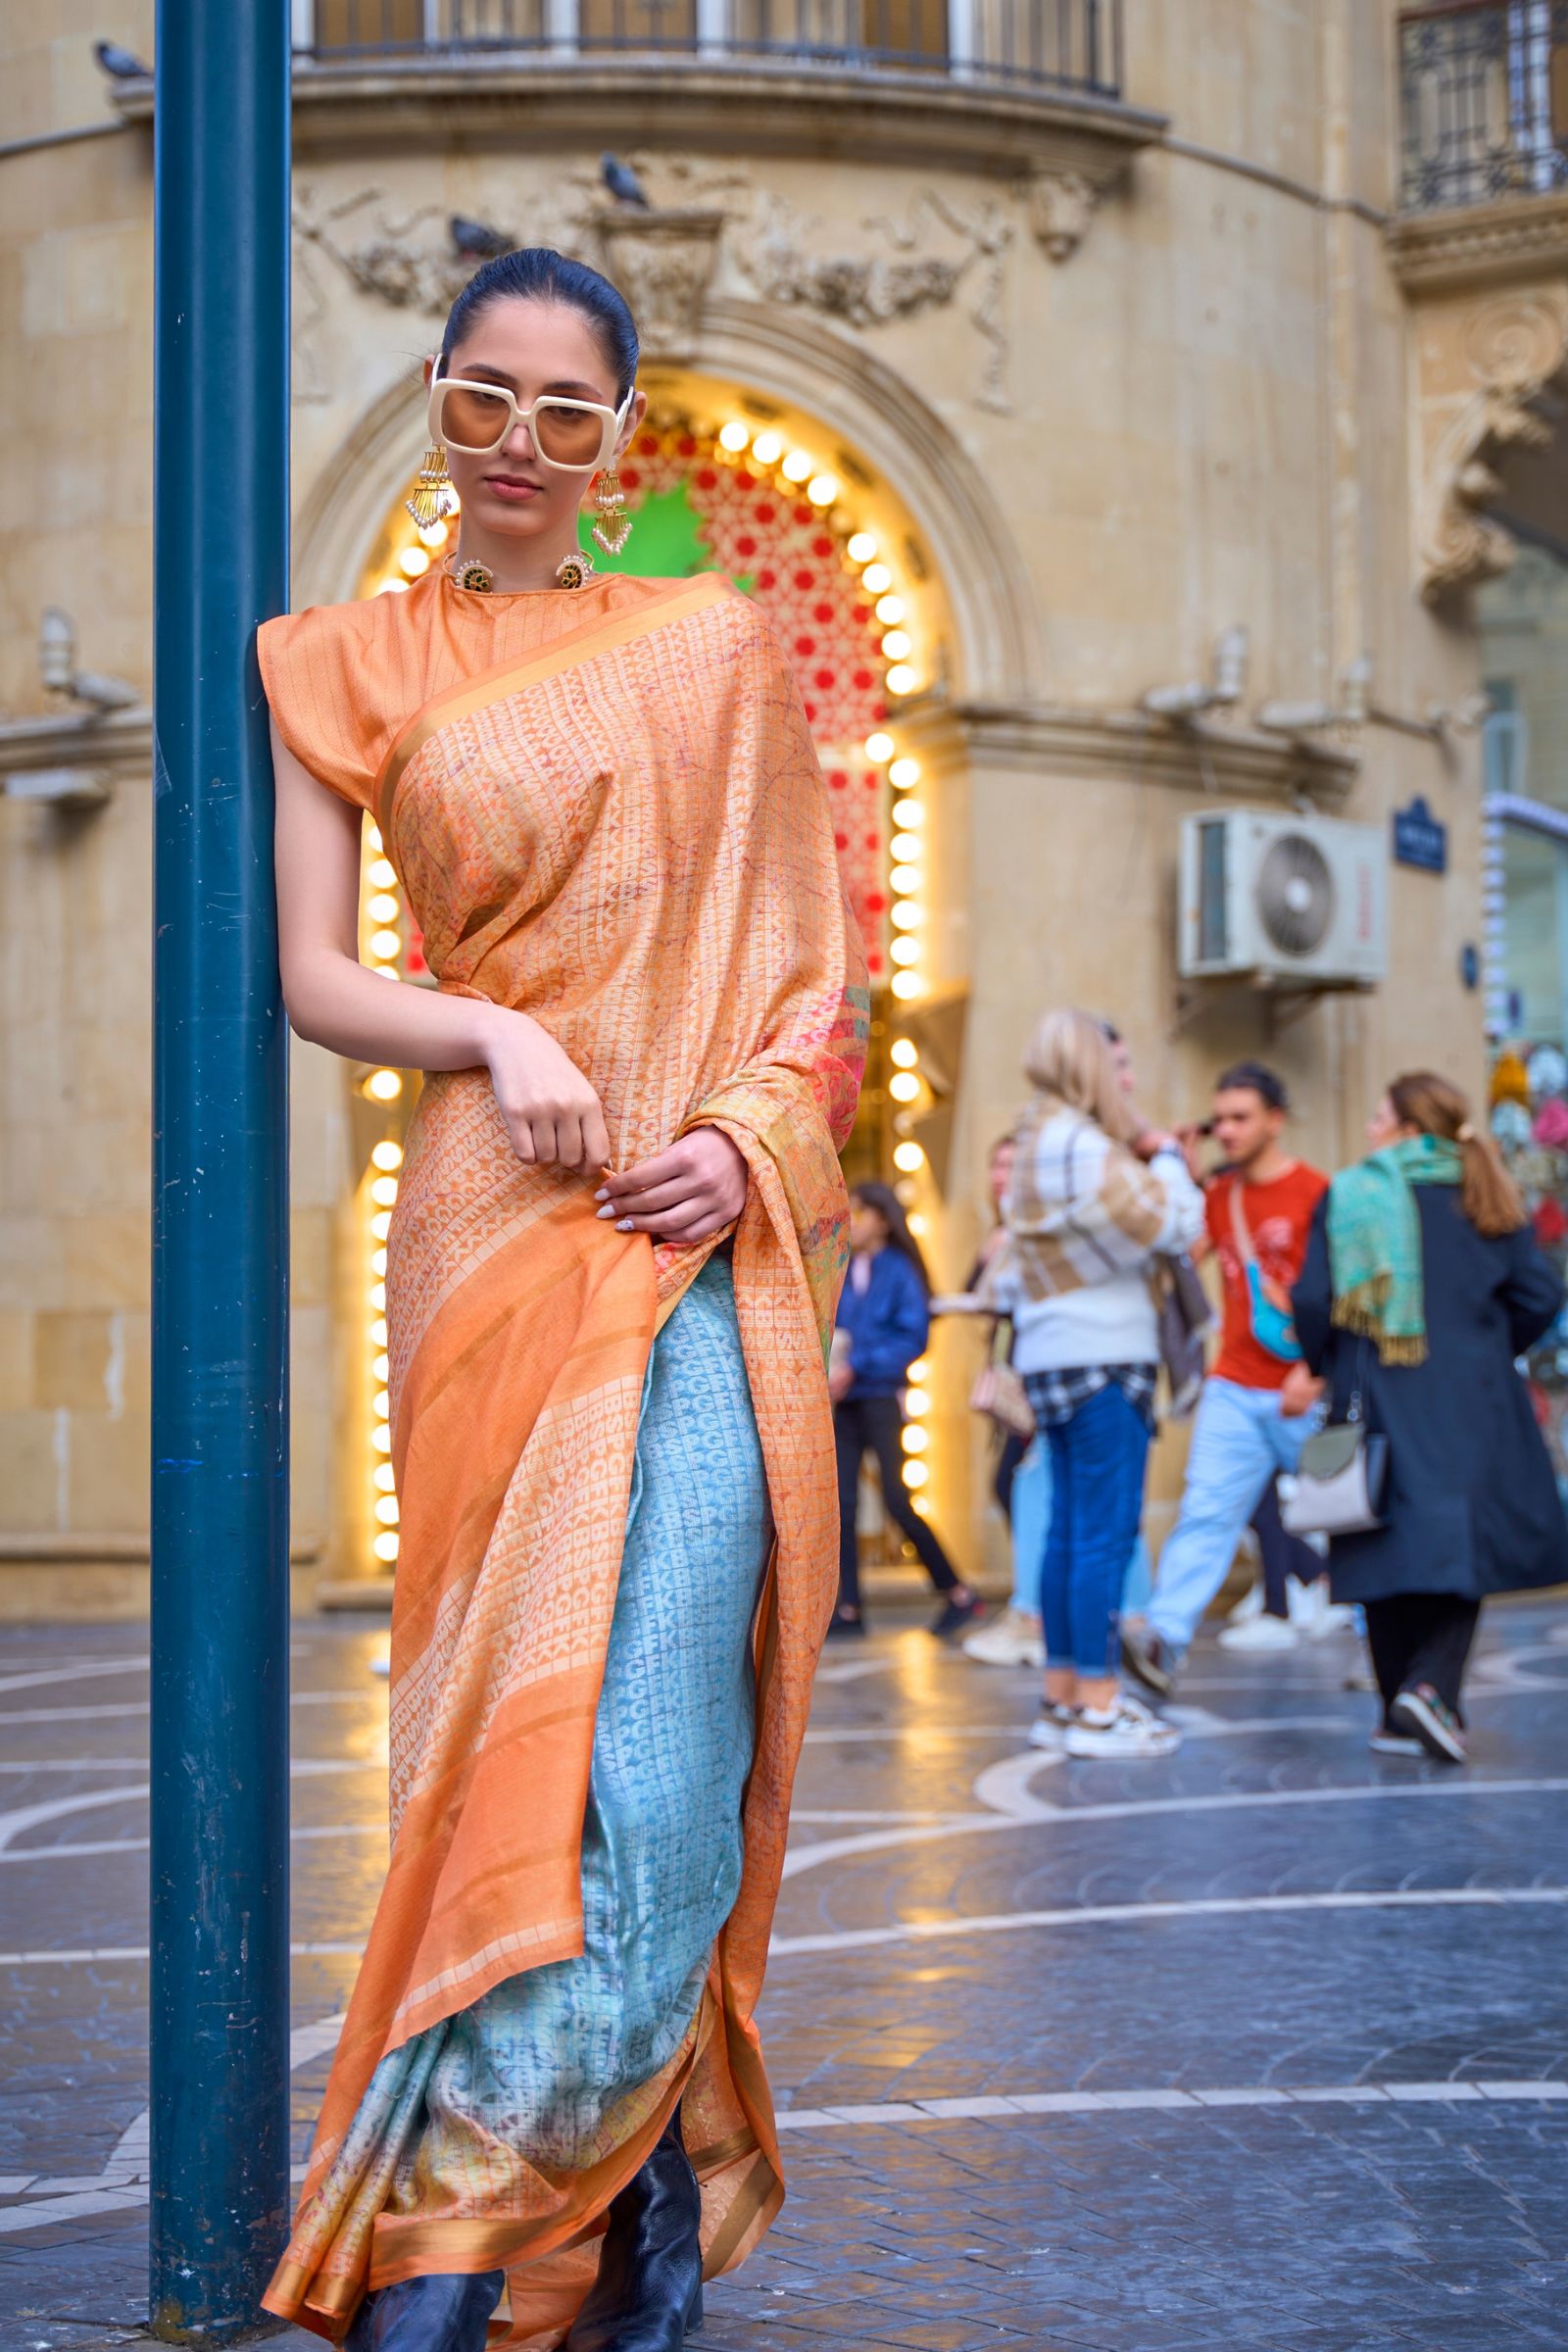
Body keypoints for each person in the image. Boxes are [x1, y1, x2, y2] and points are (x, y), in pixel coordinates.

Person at [257, 248, 866, 2350]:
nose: (518, 446)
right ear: (437, 398)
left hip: (688, 1238)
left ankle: (475, 2236)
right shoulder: (334, 662)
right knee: (510, 1759)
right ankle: (628, 2255)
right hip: (483, 1233)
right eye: (482, 398)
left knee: (662, 1751)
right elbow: (316, 974)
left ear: (620, 438)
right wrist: (481, 1036)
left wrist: (748, 1136)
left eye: (567, 411)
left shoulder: (703, 647)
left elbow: (812, 979)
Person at [1293, 1072, 1568, 1762]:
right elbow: (1540, 1293)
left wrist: (1328, 1357)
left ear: (1411, 1129)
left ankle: (1404, 1704)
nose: (1369, 1130)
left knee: (1379, 1533)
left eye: (1380, 1116)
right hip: (1473, 1394)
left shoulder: (1351, 1193)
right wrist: (1484, 1345)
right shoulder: (1484, 1195)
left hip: (1375, 1386)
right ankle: (1429, 1691)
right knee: (1461, 1541)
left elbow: (1312, 1298)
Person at [1003, 1009, 1205, 1757]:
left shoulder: (1034, 1141)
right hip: (1105, 1359)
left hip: (1051, 1356)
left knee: (1067, 1533)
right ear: (1087, 1067)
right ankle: (1098, 1704)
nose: (1127, 1081)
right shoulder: (1085, 1146)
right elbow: (1175, 1223)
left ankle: (1062, 1698)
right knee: (1105, 1535)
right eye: (1116, 1066)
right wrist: (1169, 1158)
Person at [1122, 1061, 1327, 1699]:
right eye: (1222, 1120)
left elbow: (1347, 1292)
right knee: (1206, 1512)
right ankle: (1164, 1640)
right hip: (1235, 1384)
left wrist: (1316, 1372)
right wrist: (1177, 1171)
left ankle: (1398, 1654)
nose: (1229, 1131)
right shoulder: (1219, 1194)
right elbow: (1178, 1262)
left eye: (1242, 1118)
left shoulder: (1317, 1191)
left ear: (1276, 1120)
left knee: (1352, 1522)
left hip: (1304, 1388)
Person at [830, 1183, 982, 1638]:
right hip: (843, 1401)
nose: (852, 1221)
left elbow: (911, 1337)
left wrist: (856, 1365)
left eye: (859, 1212)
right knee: (842, 1504)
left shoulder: (899, 1272)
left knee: (898, 1498)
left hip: (879, 1397)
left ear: (881, 1219)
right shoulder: (840, 1268)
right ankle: (848, 1608)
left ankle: (958, 1592)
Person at [960, 1134, 1046, 1667]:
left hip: (1040, 1376)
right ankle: (1032, 1603)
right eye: (995, 1165)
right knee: (1019, 1485)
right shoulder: (1001, 1234)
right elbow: (975, 1297)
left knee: (1023, 1484)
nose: (999, 1176)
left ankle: (1034, 1609)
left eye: (1010, 1165)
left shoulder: (1031, 1230)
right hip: (1017, 1373)